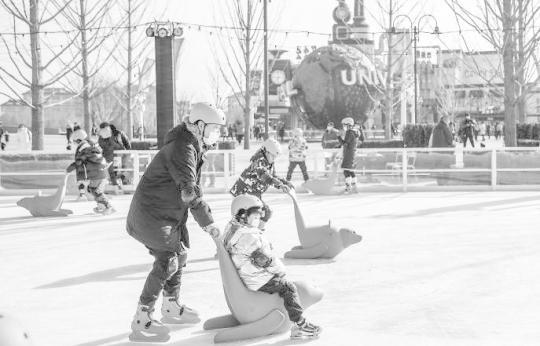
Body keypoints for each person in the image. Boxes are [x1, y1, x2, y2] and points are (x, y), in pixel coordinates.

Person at [126, 102, 224, 338]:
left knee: (179, 255)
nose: (216, 135)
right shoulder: (183, 147)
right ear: (199, 126)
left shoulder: (191, 144)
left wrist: (205, 218)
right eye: (213, 129)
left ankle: (171, 305)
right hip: (152, 214)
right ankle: (142, 317)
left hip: (166, 213)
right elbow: (189, 191)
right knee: (168, 261)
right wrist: (208, 223)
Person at [223, 194, 322, 340]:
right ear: (243, 214)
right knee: (288, 287)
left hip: (248, 274)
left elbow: (254, 250)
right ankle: (300, 324)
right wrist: (280, 271)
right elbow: (266, 261)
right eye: (256, 217)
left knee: (283, 282)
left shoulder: (235, 230)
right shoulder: (248, 237)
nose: (258, 220)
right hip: (257, 279)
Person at [230, 138, 293, 230]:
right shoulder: (258, 161)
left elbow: (273, 176)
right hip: (244, 193)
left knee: (266, 212)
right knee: (248, 216)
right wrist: (279, 185)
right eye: (273, 156)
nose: (274, 158)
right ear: (266, 152)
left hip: (254, 194)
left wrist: (285, 182)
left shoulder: (269, 162)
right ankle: (238, 233)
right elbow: (265, 176)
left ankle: (258, 233)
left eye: (276, 156)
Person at [66, 129, 115, 214]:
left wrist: (68, 170)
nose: (74, 143)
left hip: (97, 173)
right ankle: (102, 205)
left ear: (79, 140)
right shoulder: (90, 146)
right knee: (92, 189)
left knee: (95, 190)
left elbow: (78, 162)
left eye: (74, 141)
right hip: (100, 171)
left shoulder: (84, 149)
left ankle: (108, 206)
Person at [98, 122, 131, 189]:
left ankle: (120, 183)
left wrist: (126, 151)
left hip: (117, 155)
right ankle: (118, 184)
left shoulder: (118, 134)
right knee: (117, 170)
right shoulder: (103, 136)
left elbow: (127, 145)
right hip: (113, 155)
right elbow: (102, 145)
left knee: (117, 169)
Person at [339, 117, 361, 194]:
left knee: (346, 170)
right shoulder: (355, 133)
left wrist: (338, 137)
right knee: (351, 170)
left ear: (349, 125)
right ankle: (354, 186)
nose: (343, 127)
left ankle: (348, 187)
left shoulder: (349, 132)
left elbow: (345, 144)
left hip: (348, 154)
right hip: (353, 154)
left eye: (344, 125)